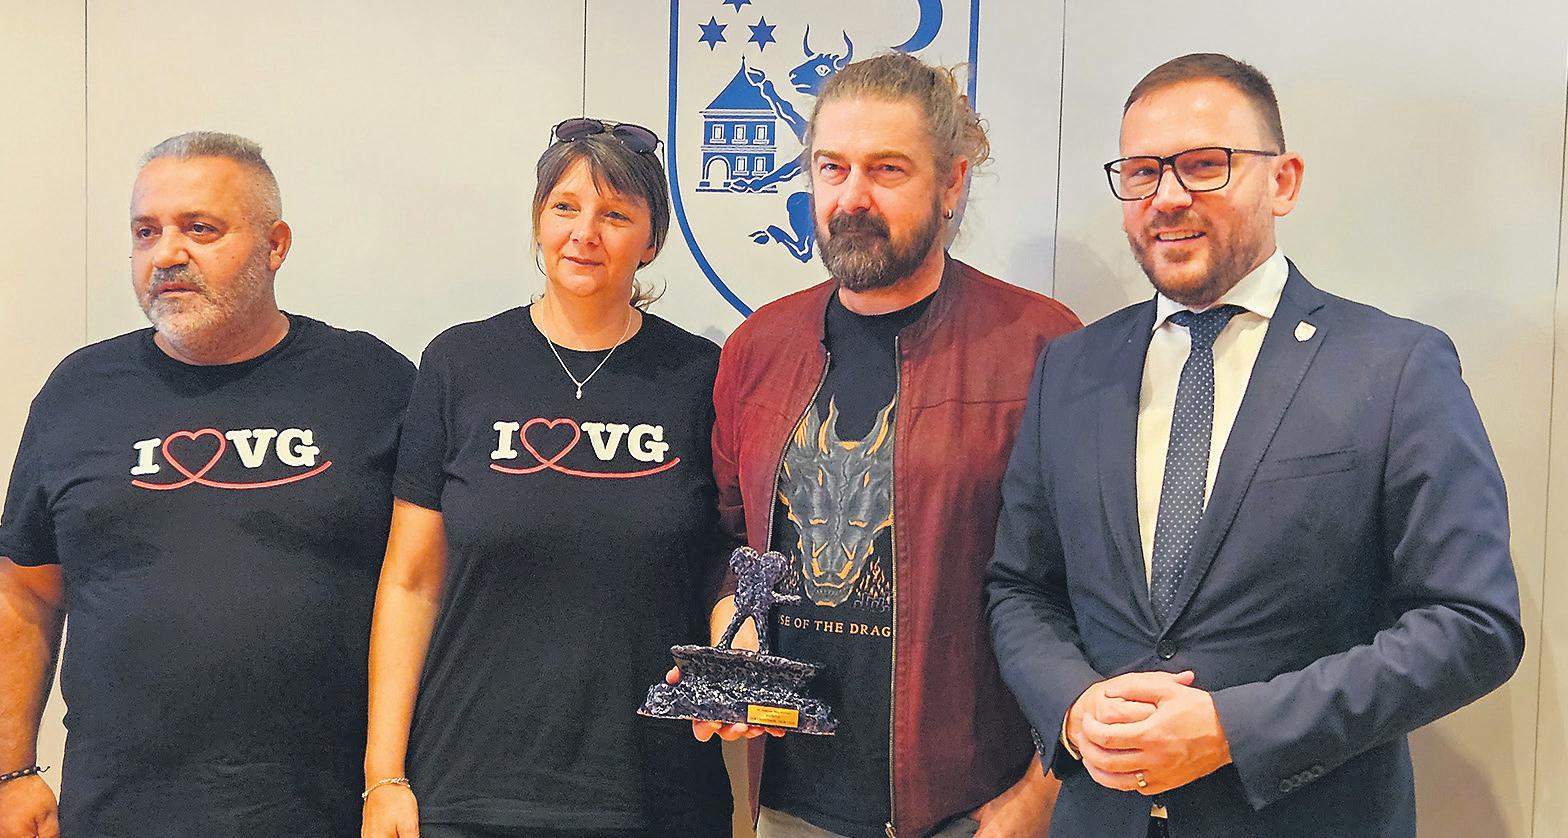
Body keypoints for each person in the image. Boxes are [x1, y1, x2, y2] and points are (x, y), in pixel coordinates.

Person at [985, 53, 1525, 838]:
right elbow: (1020, 587)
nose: (1168, 196)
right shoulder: (1071, 368)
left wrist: (1232, 729)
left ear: (1284, 181)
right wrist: (1072, 704)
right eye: (1141, 172)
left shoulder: (1396, 366)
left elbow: (1473, 623)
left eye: (1205, 165)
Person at [694, 53, 1081, 838]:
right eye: (831, 168)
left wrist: (1041, 793)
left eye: (887, 169)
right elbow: (731, 542)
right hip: (790, 805)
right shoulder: (760, 347)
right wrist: (734, 642)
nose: (851, 198)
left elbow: (1094, 593)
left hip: (973, 808)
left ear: (952, 183)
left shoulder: (1039, 346)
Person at [0, 131, 416, 837]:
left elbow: (428, 586)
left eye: (200, 228)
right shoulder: (78, 391)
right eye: (146, 231)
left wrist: (394, 779)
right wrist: (12, 773)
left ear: (275, 245)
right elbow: (26, 591)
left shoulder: (374, 385)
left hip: (328, 811)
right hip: (117, 814)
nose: (167, 253)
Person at [361, 117, 731, 838]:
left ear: (651, 241)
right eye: (565, 207)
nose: (584, 233)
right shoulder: (460, 364)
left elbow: (726, 557)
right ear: (538, 221)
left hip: (656, 794)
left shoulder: (700, 376)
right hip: (469, 789)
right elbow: (410, 582)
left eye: (615, 215)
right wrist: (384, 776)